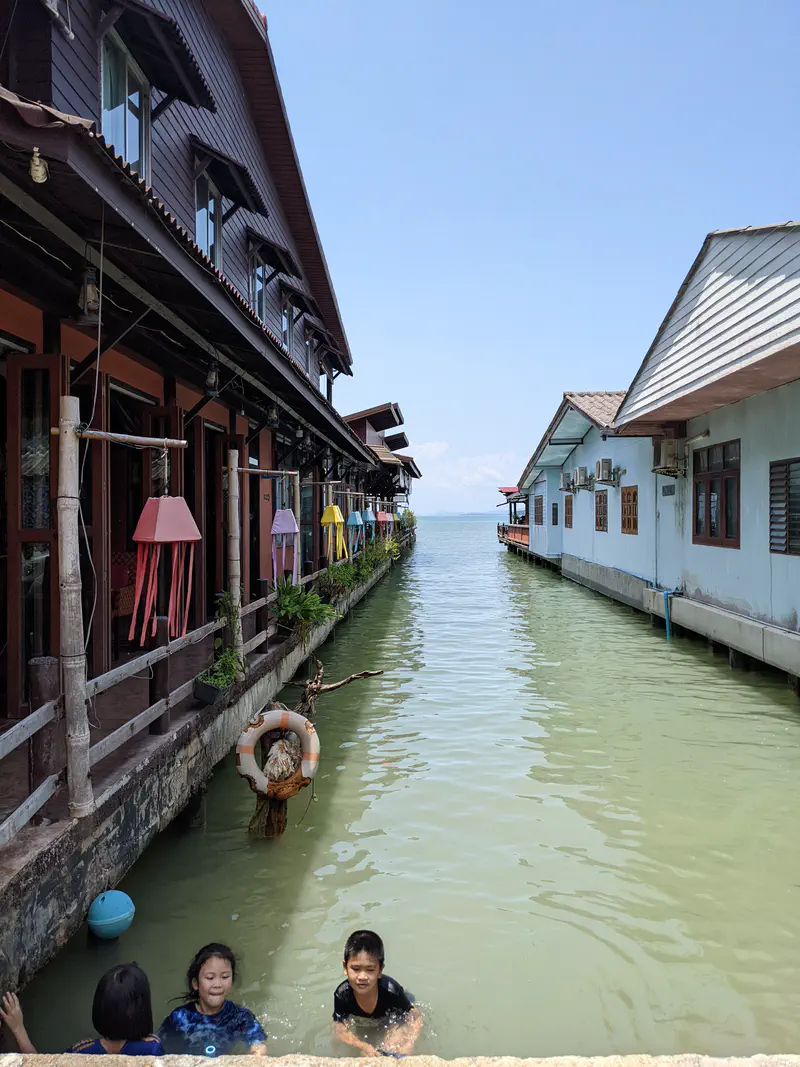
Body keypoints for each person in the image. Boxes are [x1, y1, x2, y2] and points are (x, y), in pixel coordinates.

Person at [158, 943, 267, 1056]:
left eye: (225, 977)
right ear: (195, 983)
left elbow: (258, 1046)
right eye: (210, 977)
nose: (218, 984)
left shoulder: (240, 1017)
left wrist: (255, 1054)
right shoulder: (180, 1018)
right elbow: (157, 1047)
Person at [332, 930, 421, 1058]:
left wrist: (410, 1042)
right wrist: (362, 1045)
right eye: (356, 969)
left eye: (370, 970)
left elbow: (415, 1016)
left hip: (395, 1011)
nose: (362, 977)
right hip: (367, 1020)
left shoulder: (392, 991)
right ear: (345, 967)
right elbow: (339, 1028)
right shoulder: (342, 995)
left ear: (380, 970)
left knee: (393, 1045)